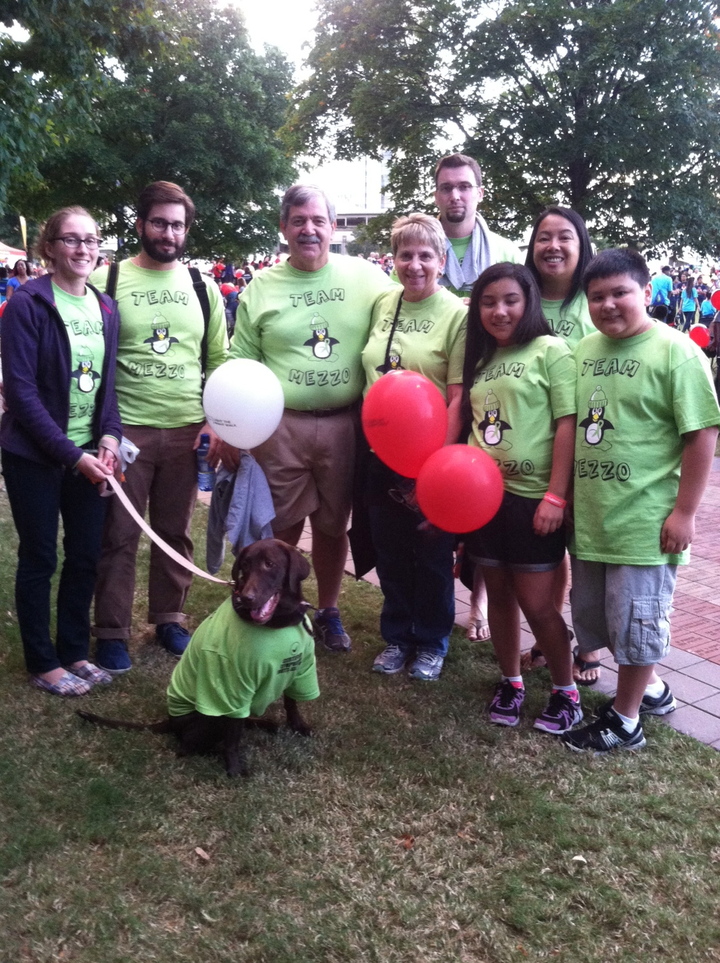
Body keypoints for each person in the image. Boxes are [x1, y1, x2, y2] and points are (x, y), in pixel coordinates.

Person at [563, 249, 720, 753]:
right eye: (597, 297)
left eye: (620, 293)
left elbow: (701, 433)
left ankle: (625, 721)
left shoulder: (677, 351)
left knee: (638, 621)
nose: (608, 305)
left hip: (646, 523)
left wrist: (685, 512)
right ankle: (649, 688)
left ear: (646, 292)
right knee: (600, 617)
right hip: (592, 519)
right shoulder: (584, 351)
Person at [224, 184, 392, 653]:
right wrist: (231, 429)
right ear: (284, 228)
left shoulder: (367, 278)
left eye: (318, 220)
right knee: (280, 525)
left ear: (332, 226)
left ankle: (330, 611)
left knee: (333, 525)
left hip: (344, 424)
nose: (308, 229)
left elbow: (413, 308)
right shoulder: (262, 286)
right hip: (280, 426)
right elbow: (242, 362)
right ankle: (276, 605)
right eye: (298, 221)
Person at [90, 181, 227, 675]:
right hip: (125, 433)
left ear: (186, 230)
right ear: (141, 224)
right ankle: (112, 631)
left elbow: (218, 360)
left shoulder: (201, 286)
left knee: (174, 531)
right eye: (159, 222)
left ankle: (169, 618)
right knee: (119, 534)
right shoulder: (107, 280)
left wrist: (213, 421)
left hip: (187, 430)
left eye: (177, 225)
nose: (168, 233)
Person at [0, 207, 122, 696]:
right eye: (70, 240)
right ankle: (42, 660)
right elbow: (21, 394)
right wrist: (72, 455)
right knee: (40, 558)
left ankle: (73, 649)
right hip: (36, 456)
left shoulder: (107, 307)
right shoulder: (28, 304)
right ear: (48, 248)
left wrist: (110, 438)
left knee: (86, 556)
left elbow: (107, 387)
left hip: (90, 454)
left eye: (90, 240)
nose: (83, 249)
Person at [460, 262, 579, 732]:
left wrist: (556, 495)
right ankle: (511, 681)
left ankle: (565, 691)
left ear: (528, 300)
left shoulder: (551, 350)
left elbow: (567, 422)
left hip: (534, 502)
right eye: (488, 302)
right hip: (484, 501)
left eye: (510, 300)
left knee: (537, 604)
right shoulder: (481, 361)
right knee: (501, 597)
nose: (500, 311)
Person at [362, 214, 467, 681]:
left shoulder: (457, 314)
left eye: (426, 255)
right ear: (395, 259)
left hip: (430, 457)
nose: (415, 264)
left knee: (430, 554)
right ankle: (397, 635)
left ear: (441, 262)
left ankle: (431, 639)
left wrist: (437, 469)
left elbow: (460, 393)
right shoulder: (384, 303)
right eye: (406, 254)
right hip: (378, 451)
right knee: (390, 550)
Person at [434, 152, 523, 641]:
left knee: (488, 497)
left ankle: (479, 607)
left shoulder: (505, 250)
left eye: (464, 186)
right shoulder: (424, 247)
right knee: (445, 496)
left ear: (479, 192)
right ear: (436, 193)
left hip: (491, 390)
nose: (455, 196)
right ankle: (435, 601)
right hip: (437, 395)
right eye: (447, 187)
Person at [523, 206, 601, 684]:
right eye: (543, 237)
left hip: (587, 443)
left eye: (564, 236)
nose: (552, 245)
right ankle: (546, 636)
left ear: (581, 245)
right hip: (532, 444)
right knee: (547, 548)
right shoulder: (523, 299)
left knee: (582, 548)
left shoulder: (593, 300)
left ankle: (589, 647)